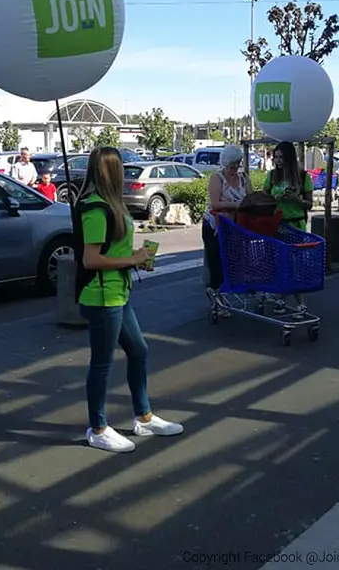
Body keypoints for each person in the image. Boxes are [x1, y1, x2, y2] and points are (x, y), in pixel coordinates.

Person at [77, 146, 183, 453]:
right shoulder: (97, 209)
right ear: (112, 170)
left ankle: (144, 416)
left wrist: (134, 259)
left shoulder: (110, 205)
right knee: (102, 364)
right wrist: (132, 259)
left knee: (138, 350)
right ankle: (98, 428)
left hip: (117, 293)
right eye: (121, 166)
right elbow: (90, 259)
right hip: (102, 297)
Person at [264, 141, 313, 311]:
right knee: (279, 264)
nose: (277, 161)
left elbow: (309, 204)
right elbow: (263, 199)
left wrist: (296, 200)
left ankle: (301, 304)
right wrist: (273, 200)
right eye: (276, 157)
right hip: (277, 225)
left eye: (281, 158)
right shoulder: (271, 176)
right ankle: (282, 299)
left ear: (290, 159)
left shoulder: (303, 177)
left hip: (296, 225)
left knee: (295, 266)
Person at [202, 145, 251, 303]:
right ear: (225, 163)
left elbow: (250, 199)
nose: (235, 167)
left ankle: (223, 293)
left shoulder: (243, 178)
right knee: (216, 261)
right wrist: (237, 205)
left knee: (231, 261)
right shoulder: (217, 178)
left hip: (234, 226)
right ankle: (217, 297)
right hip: (215, 225)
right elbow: (215, 204)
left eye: (238, 163)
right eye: (232, 164)